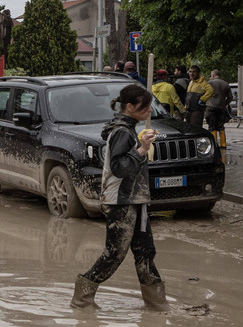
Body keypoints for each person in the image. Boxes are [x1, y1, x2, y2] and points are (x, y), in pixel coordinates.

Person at [71, 83, 169, 311]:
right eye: (144, 107)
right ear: (129, 106)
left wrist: (142, 147)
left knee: (145, 252)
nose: (148, 111)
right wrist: (142, 149)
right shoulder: (122, 133)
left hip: (135, 200)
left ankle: (157, 305)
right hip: (121, 201)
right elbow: (119, 167)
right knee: (115, 253)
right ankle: (81, 299)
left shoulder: (128, 130)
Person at [206, 69, 233, 150]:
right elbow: (230, 97)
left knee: (212, 126)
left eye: (211, 76)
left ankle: (214, 144)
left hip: (211, 107)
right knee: (221, 126)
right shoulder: (226, 84)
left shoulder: (210, 83)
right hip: (221, 108)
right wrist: (225, 103)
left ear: (213, 75)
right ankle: (223, 144)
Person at [184, 65, 211, 129]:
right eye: (190, 72)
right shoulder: (191, 82)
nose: (191, 74)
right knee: (188, 129)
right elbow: (188, 96)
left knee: (196, 129)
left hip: (197, 110)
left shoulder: (202, 83)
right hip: (189, 110)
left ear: (198, 73)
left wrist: (202, 99)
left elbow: (210, 90)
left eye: (194, 72)